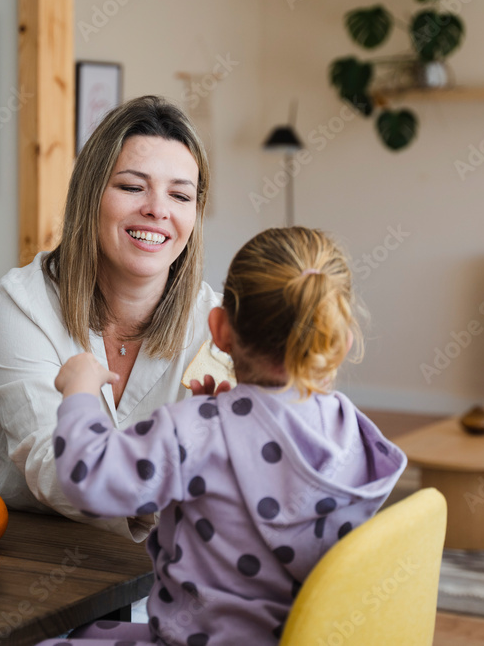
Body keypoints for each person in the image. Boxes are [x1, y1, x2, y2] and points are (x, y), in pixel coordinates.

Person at [40, 227, 407, 645]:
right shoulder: (351, 429)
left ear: (219, 329)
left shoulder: (196, 429)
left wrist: (80, 392)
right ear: (341, 342)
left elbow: (88, 478)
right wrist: (220, 423)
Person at [0, 96, 227, 542]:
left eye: (180, 195)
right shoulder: (21, 303)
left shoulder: (219, 327)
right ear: (90, 194)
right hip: (23, 545)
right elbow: (54, 469)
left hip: (160, 567)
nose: (158, 209)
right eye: (132, 186)